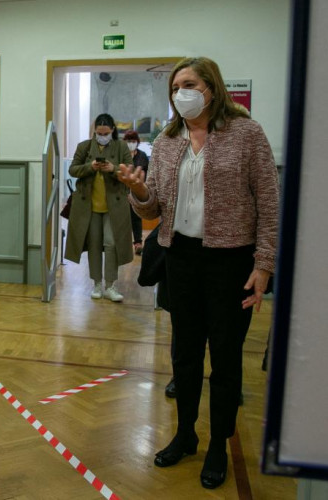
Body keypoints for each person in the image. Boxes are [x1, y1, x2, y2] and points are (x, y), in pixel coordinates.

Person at [118, 57, 279, 490]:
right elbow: (155, 209)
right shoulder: (168, 140)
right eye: (173, 87)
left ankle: (218, 446)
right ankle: (186, 434)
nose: (179, 93)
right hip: (181, 258)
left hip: (231, 262)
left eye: (187, 84)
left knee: (225, 360)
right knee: (184, 356)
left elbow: (268, 204)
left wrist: (264, 265)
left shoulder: (247, 134)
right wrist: (138, 193)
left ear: (211, 87)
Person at [64, 113, 134, 302]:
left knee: (111, 243)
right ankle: (96, 284)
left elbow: (130, 170)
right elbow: (73, 170)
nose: (102, 136)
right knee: (94, 245)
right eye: (99, 133)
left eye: (105, 133)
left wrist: (113, 169)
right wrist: (90, 167)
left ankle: (111, 285)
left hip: (114, 206)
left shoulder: (121, 147)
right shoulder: (84, 146)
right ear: (94, 131)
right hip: (89, 206)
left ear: (112, 131)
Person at [123, 130, 149, 255]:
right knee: (122, 218)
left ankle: (138, 243)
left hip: (136, 190)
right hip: (122, 191)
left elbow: (145, 172)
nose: (131, 144)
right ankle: (121, 244)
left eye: (133, 141)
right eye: (128, 141)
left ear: (137, 142)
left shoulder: (142, 155)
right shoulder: (121, 155)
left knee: (136, 216)